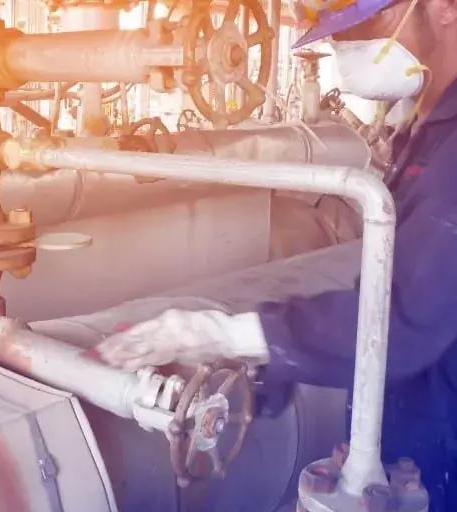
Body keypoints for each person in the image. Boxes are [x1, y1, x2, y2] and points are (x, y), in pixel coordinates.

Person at [96, 0, 457, 508]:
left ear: (444, 7)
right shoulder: (424, 125)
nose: (345, 47)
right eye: (336, 32)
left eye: (362, 22)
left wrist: (235, 334)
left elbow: (404, 321)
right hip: (410, 445)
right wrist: (263, 366)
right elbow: (385, 295)